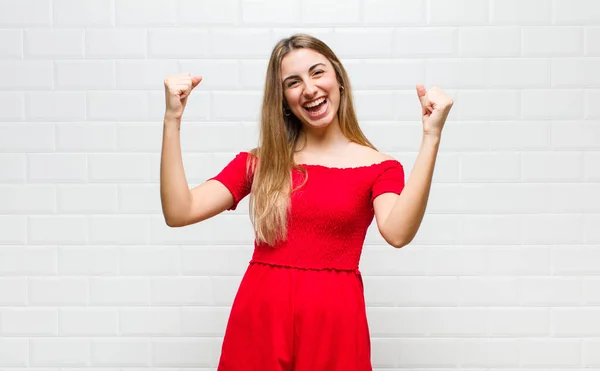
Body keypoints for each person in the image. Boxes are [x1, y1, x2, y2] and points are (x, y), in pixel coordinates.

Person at [160, 34, 453, 371]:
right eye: (293, 82)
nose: (309, 89)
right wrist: (173, 119)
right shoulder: (260, 163)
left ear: (339, 79)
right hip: (260, 319)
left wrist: (431, 136)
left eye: (317, 73)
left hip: (336, 326)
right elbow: (179, 212)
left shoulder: (380, 168)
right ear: (284, 99)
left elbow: (398, 232)